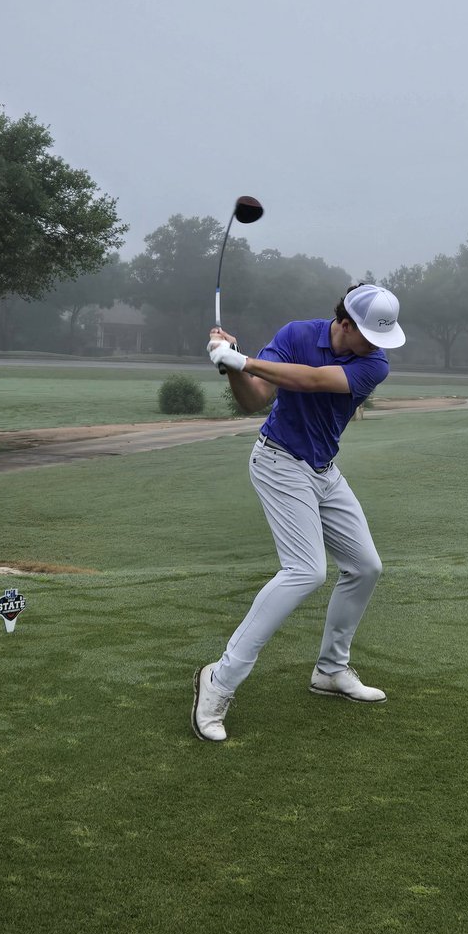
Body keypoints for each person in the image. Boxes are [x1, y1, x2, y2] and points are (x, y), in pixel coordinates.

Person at [191, 283, 406, 741]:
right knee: (306, 570)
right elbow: (254, 399)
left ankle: (330, 670)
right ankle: (220, 679)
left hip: (324, 471)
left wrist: (243, 359)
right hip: (278, 460)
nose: (378, 345)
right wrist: (230, 364)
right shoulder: (295, 334)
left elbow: (311, 380)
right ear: (345, 322)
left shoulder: (374, 364)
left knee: (366, 567)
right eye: (369, 333)